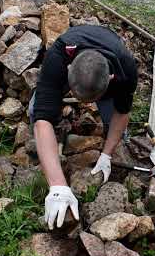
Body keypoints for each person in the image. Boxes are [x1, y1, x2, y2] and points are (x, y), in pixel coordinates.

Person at [29, 24, 138, 230]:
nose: (84, 104)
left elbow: (122, 113)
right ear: (68, 70)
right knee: (37, 110)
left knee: (117, 132)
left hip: (109, 57)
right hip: (72, 52)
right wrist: (58, 186)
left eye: (90, 100)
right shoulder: (58, 57)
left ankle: (114, 147)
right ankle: (47, 147)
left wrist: (106, 155)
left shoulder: (125, 70)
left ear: (110, 80)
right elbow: (43, 119)